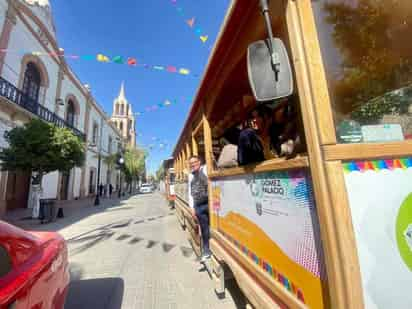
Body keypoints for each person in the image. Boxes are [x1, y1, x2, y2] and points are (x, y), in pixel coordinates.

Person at [188, 155, 211, 262]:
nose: (193, 164)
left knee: (213, 227)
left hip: (209, 203)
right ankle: (206, 251)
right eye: (191, 163)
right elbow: (190, 192)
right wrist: (191, 207)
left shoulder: (205, 169)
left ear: (199, 162)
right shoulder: (190, 176)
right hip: (198, 206)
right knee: (204, 228)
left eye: (195, 162)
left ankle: (212, 247)